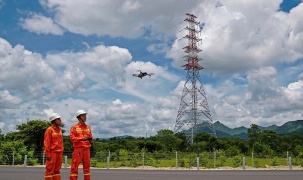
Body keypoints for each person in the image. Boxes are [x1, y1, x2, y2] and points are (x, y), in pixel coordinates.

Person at [69, 110, 93, 180]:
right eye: (83, 115)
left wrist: (91, 139)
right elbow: (72, 138)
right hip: (78, 149)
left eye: (85, 115)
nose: (85, 117)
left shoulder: (88, 127)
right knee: (74, 167)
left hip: (87, 149)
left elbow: (90, 136)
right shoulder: (74, 127)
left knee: (87, 168)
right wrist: (82, 138)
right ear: (79, 117)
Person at [44, 113, 64, 180]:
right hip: (52, 153)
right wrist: (48, 154)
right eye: (58, 119)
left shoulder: (60, 130)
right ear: (54, 120)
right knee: (50, 170)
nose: (60, 120)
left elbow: (61, 141)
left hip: (59, 153)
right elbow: (47, 142)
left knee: (57, 170)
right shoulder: (49, 130)